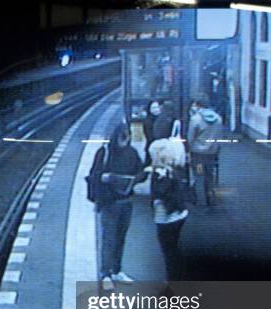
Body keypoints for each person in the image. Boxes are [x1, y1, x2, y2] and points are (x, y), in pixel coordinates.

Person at [87, 124, 147, 290]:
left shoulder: (132, 153)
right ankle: (105, 273)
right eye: (122, 137)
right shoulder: (104, 153)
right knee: (109, 239)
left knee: (120, 238)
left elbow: (141, 171)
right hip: (109, 202)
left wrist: (136, 179)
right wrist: (104, 177)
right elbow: (94, 175)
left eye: (127, 138)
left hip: (126, 202)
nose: (125, 141)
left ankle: (116, 270)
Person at [147, 139, 189, 281]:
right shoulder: (176, 169)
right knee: (173, 249)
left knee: (168, 251)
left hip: (166, 218)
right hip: (179, 215)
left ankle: (172, 282)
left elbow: (160, 193)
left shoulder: (163, 173)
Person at [186, 96, 223, 206]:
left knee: (198, 174)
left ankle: (198, 201)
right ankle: (210, 199)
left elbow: (190, 137)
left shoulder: (195, 119)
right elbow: (219, 137)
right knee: (209, 175)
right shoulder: (218, 118)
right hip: (211, 153)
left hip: (197, 153)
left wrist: (188, 150)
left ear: (198, 105)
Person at [144, 100, 161, 164]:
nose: (156, 109)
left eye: (157, 107)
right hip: (151, 147)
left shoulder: (162, 119)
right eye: (154, 108)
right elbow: (150, 136)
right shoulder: (148, 121)